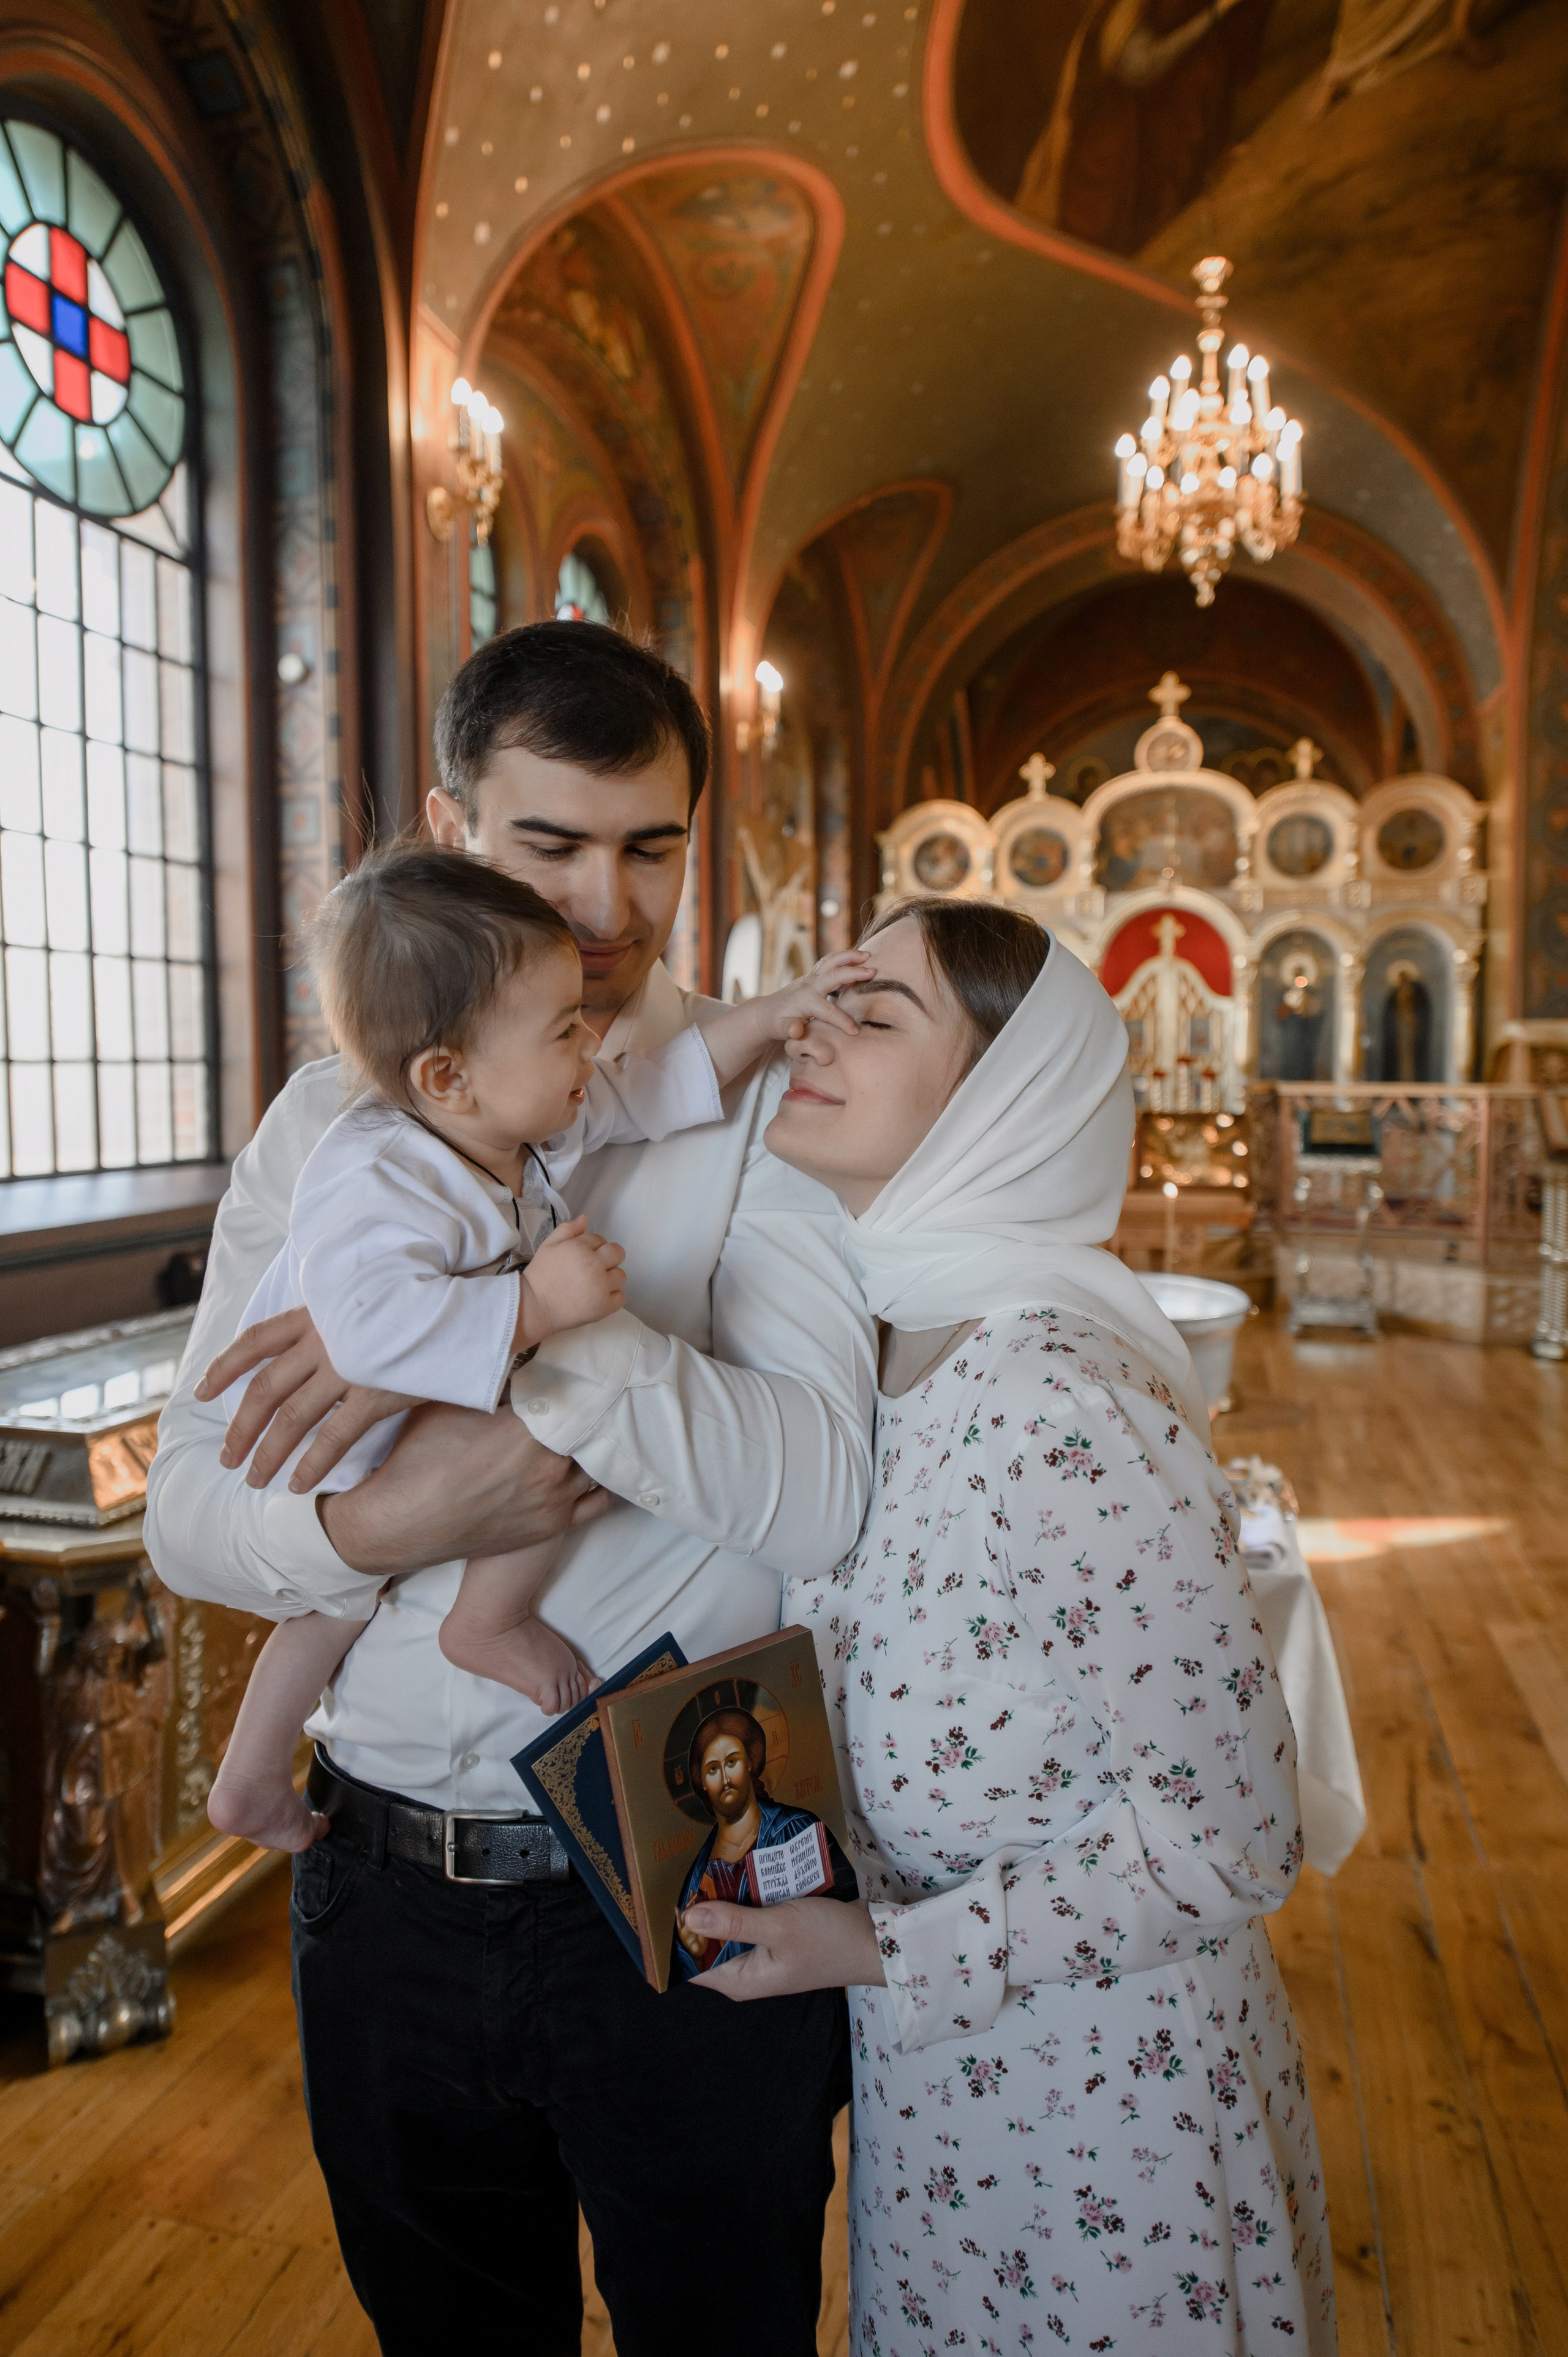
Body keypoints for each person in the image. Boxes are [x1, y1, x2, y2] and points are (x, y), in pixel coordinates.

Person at [144, 622, 878, 2357]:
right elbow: (190, 1513)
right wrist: (389, 1523)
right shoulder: (334, 1124)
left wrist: (511, 1357)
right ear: (448, 821)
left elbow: (823, 1495)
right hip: (381, 1887)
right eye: (549, 845)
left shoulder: (776, 1112)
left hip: (687, 1869)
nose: (610, 909)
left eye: (651, 845)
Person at [682, 899, 1336, 2352]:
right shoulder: (895, 1331)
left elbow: (1232, 1837)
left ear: (998, 1097)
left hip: (1108, 2108)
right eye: (826, 996)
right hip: (951, 2089)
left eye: (877, 1011)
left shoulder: (1052, 1395)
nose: (812, 1027)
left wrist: (882, 1952)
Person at [205, 839, 872, 1852]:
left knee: (514, 1460)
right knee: (523, 1444)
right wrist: (530, 1306)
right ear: (446, 1073)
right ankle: (454, 1644)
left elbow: (656, 1088)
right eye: (564, 1032)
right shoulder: (375, 1169)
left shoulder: (503, 1114)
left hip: (410, 1426)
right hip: (335, 1450)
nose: (588, 1051)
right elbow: (364, 1330)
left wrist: (773, 1018)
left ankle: (258, 1774)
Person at [673, 1707, 855, 1980]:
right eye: (713, 1769)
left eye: (732, 1762)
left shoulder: (796, 1828)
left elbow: (848, 1907)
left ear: (750, 1762)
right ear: (702, 1783)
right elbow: (687, 1974)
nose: (724, 1779)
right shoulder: (697, 1876)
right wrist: (698, 1956)